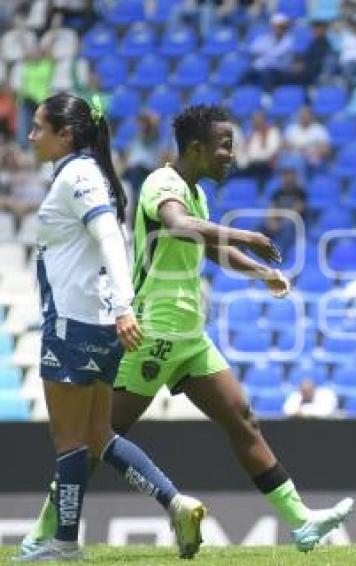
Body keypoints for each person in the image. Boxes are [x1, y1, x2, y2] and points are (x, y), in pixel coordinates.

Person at [20, 104, 354, 557]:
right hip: (151, 333)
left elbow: (209, 248)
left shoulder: (196, 194)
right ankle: (47, 531)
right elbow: (177, 225)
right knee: (98, 437)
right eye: (224, 147)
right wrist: (246, 235)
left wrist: (261, 272)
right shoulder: (163, 183)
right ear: (195, 149)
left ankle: (301, 522)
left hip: (190, 339)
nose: (230, 156)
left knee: (243, 418)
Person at [18, 93, 205, 561]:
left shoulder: (78, 175)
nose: (30, 134)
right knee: (99, 434)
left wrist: (125, 306)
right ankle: (175, 502)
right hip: (99, 326)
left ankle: (63, 544)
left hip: (75, 322)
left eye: (39, 127)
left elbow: (109, 239)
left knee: (70, 441)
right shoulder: (89, 173)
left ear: (66, 134)